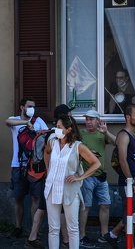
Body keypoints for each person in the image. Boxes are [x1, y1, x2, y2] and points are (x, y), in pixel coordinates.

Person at [44, 114, 101, 249]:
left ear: (68, 129)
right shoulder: (52, 142)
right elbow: (46, 152)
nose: (55, 129)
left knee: (73, 229)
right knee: (53, 228)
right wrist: (48, 171)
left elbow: (96, 163)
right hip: (52, 189)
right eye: (56, 126)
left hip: (70, 190)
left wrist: (79, 177)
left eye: (59, 127)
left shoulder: (77, 146)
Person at [25, 104, 74, 249]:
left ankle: (32, 237)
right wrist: (50, 171)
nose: (71, 117)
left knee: (42, 207)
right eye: (69, 115)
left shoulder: (52, 133)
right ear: (64, 117)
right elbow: (51, 155)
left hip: (48, 177)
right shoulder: (56, 135)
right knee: (61, 210)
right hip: (53, 179)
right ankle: (65, 240)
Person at [104, 104, 135, 249]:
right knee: (130, 214)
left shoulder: (133, 135)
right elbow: (122, 160)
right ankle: (119, 239)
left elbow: (116, 143)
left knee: (132, 215)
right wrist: (131, 182)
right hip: (129, 182)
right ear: (128, 117)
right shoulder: (124, 135)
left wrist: (106, 132)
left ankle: (114, 236)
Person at [5, 97, 48, 239]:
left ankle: (33, 230)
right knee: (18, 198)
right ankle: (18, 227)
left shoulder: (39, 121)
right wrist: (26, 123)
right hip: (18, 165)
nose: (32, 109)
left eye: (33, 106)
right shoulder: (15, 119)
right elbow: (7, 122)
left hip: (35, 166)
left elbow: (48, 136)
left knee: (36, 197)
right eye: (29, 106)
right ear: (22, 107)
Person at [79, 110, 116, 248]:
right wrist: (87, 154)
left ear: (98, 121)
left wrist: (106, 132)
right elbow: (75, 152)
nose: (88, 122)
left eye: (91, 119)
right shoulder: (81, 135)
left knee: (105, 205)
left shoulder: (102, 133)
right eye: (87, 119)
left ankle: (104, 234)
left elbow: (116, 143)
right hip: (87, 176)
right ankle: (81, 236)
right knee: (85, 207)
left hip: (101, 176)